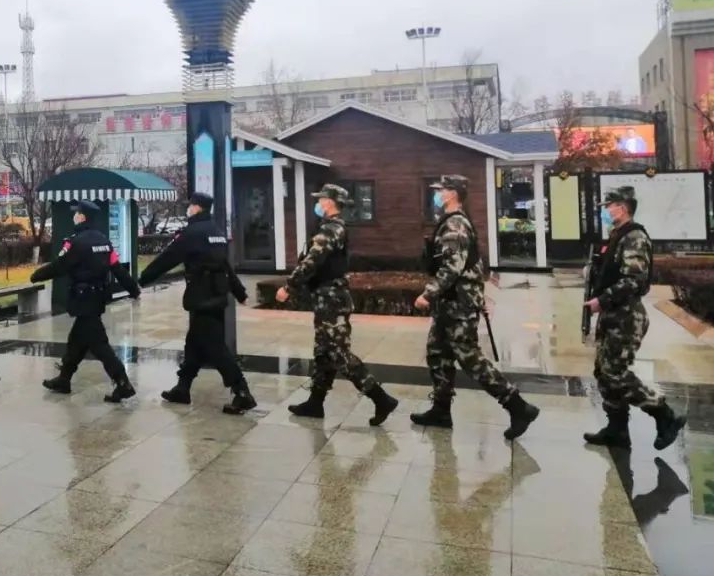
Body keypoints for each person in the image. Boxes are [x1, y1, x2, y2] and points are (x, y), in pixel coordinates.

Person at [411, 175, 539, 439]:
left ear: (453, 194)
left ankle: (518, 406)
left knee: (470, 359)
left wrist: (429, 294)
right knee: (437, 354)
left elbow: (452, 267)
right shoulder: (452, 221)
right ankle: (441, 410)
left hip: (458, 304)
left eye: (442, 190)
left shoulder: (455, 225)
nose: (437, 194)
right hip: (451, 304)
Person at [276, 184, 399, 425]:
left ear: (330, 202)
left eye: (321, 199)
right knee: (324, 352)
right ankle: (315, 403)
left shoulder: (331, 229)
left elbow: (311, 262)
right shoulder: (330, 227)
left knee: (338, 353)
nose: (318, 203)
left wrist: (288, 287)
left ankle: (380, 398)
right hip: (327, 297)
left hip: (332, 299)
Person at [583, 186, 686, 450]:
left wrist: (602, 300)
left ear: (624, 207)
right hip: (612, 315)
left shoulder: (634, 237)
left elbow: (634, 280)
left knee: (615, 373)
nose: (607, 211)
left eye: (610, 206)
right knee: (604, 372)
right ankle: (617, 429)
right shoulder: (617, 235)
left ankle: (664, 415)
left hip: (626, 316)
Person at [138, 192, 257, 415]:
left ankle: (242, 392)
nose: (188, 209)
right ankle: (182, 388)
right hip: (217, 294)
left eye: (190, 206)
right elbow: (225, 266)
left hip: (202, 296)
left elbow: (167, 259)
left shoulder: (191, 233)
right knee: (194, 343)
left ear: (196, 208)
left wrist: (142, 280)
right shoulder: (217, 232)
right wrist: (239, 292)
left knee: (215, 348)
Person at [30, 200, 140, 403]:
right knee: (77, 342)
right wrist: (133, 288)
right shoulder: (103, 241)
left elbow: (59, 266)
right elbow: (117, 269)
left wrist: (36, 275)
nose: (74, 216)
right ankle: (64, 379)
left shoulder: (75, 242)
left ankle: (122, 383)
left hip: (83, 298)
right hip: (97, 298)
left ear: (81, 217)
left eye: (76, 214)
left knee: (99, 345)